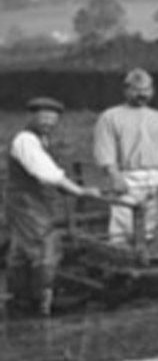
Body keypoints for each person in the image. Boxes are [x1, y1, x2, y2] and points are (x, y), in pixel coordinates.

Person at [7, 98, 95, 317]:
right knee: (43, 248)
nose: (48, 123)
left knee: (21, 250)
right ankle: (41, 303)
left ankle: (20, 299)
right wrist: (79, 191)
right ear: (32, 116)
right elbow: (46, 172)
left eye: (53, 119)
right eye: (43, 117)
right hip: (27, 204)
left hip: (33, 203)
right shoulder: (25, 140)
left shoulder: (41, 139)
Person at [91, 68, 158, 245]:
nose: (142, 94)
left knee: (157, 222)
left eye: (146, 89)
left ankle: (153, 258)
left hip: (157, 176)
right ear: (126, 90)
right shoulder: (110, 116)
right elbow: (105, 150)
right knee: (124, 223)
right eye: (136, 89)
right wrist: (115, 176)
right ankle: (122, 259)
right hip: (128, 176)